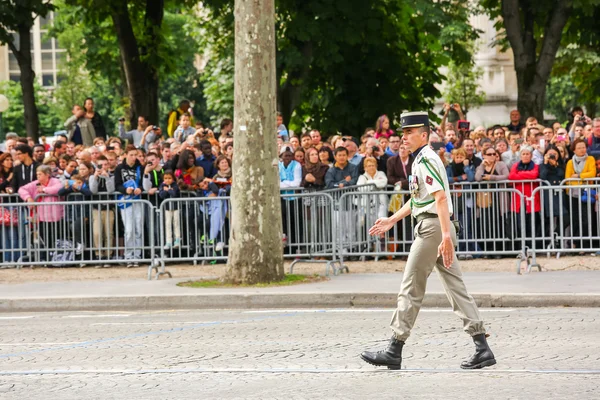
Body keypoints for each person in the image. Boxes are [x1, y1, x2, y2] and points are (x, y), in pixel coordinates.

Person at [360, 111, 495, 371]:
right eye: (403, 132)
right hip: (438, 226)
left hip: (433, 228)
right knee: (456, 288)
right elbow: (419, 198)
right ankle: (482, 347)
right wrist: (392, 220)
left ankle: (394, 348)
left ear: (424, 134)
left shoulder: (426, 159)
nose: (404, 137)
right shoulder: (421, 158)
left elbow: (440, 198)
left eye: (409, 132)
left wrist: (444, 236)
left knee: (411, 286)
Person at [18, 165, 64, 262]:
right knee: (44, 239)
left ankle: (55, 259)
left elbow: (59, 188)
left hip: (57, 217)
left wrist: (44, 190)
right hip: (42, 218)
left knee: (55, 239)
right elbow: (21, 189)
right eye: (37, 174)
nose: (38, 176)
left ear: (47, 175)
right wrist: (28, 198)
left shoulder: (55, 181)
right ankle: (46, 259)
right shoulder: (36, 183)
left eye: (40, 174)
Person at [114, 145, 145, 268]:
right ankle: (128, 255)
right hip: (126, 201)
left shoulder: (140, 168)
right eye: (131, 155)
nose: (133, 157)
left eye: (135, 155)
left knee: (138, 228)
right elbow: (117, 185)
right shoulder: (119, 168)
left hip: (138, 200)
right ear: (125, 154)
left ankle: (137, 255)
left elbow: (143, 184)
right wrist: (125, 189)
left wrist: (140, 189)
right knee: (129, 230)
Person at [89, 155, 116, 266]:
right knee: (97, 232)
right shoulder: (92, 177)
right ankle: (99, 254)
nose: (103, 167)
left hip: (109, 208)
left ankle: (108, 255)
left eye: (105, 164)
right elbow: (93, 190)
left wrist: (107, 178)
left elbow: (110, 190)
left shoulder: (112, 176)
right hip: (97, 208)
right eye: (100, 165)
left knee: (108, 232)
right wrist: (95, 177)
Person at [159, 172, 181, 249]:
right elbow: (161, 195)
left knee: (176, 223)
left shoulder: (175, 185)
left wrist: (168, 190)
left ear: (173, 179)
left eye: (169, 178)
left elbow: (174, 193)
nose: (167, 180)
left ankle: (177, 240)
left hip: (176, 207)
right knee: (168, 224)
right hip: (167, 208)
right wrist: (167, 190)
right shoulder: (162, 185)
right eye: (165, 178)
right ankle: (168, 241)